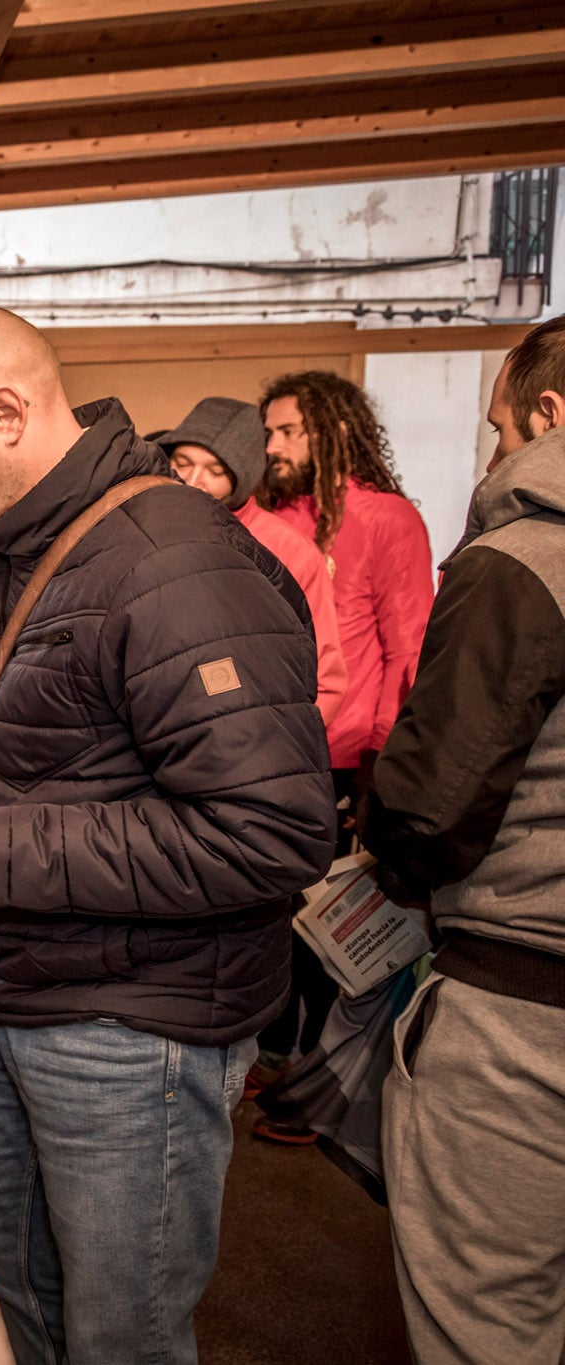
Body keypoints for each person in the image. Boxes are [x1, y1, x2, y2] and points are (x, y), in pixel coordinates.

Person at [0, 305, 335, 1365]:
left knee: (117, 1335)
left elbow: (268, 830)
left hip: (129, 1028)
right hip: (17, 984)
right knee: (7, 1307)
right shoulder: (17, 542)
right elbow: (77, 735)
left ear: (3, 411)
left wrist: (4, 854)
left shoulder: (176, 562)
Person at [362, 315, 565, 1365]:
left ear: (548, 414)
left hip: (523, 1012)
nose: (492, 455)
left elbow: (429, 809)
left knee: (488, 1324)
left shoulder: (523, 561)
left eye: (497, 429)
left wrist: (375, 854)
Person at [255, 371, 433, 1134]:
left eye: (289, 431)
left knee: (329, 927)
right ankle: (270, 1054)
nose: (273, 446)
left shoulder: (387, 519)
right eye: (269, 432)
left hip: (346, 757)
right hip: (270, 749)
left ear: (334, 429)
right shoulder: (270, 517)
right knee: (271, 913)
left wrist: (384, 768)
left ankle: (315, 1087)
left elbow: (409, 649)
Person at [157, 396, 347, 729]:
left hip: (259, 728)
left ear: (243, 478)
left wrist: (293, 744)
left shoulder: (288, 549)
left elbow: (324, 675)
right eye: (183, 462)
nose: (193, 479)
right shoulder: (146, 526)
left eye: (216, 471)